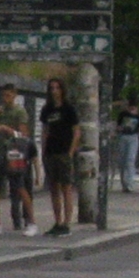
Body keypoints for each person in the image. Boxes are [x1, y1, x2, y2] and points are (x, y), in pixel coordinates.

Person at [0, 85, 34, 234]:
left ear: (14, 95)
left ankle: (31, 222)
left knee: (20, 187)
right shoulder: (0, 110)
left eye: (8, 95)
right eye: (3, 96)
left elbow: (24, 135)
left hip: (14, 153)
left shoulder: (19, 111)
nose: (5, 99)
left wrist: (9, 130)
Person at [39, 76, 80, 237]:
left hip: (64, 151)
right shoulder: (47, 110)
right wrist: (43, 151)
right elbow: (45, 131)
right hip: (51, 152)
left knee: (66, 188)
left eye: (57, 88)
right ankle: (57, 221)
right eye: (52, 88)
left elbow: (76, 131)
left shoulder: (68, 109)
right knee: (54, 188)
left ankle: (67, 223)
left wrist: (71, 152)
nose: (55, 91)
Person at [113, 94, 139, 193]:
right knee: (122, 160)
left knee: (130, 159)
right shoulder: (123, 114)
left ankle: (130, 183)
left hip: (133, 137)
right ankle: (124, 183)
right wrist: (119, 129)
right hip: (123, 136)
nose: (132, 108)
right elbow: (118, 126)